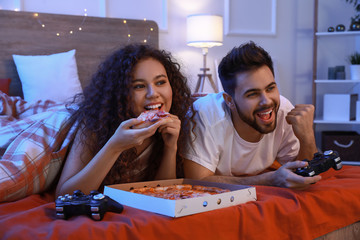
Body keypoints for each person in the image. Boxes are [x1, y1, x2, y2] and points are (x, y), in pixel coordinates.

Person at [56, 44, 193, 196]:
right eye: (139, 86)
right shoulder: (95, 123)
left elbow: (164, 196)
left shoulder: (176, 124)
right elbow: (64, 196)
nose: (153, 93)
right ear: (120, 93)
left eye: (160, 82)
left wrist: (170, 147)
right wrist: (115, 146)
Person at [181, 41, 321, 189]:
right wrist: (267, 179)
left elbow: (304, 173)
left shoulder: (284, 111)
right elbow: (197, 181)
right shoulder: (204, 115)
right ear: (229, 101)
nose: (266, 101)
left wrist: (307, 137)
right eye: (252, 94)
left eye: (270, 88)